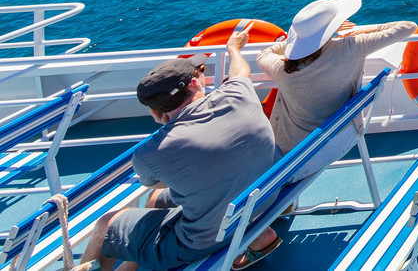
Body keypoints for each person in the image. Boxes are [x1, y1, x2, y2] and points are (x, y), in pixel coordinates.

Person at [81, 29, 281, 271]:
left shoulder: (150, 152)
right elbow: (240, 71)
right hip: (264, 203)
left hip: (206, 239)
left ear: (154, 111)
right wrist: (233, 50)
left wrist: (167, 127)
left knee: (105, 226)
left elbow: (156, 182)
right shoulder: (238, 95)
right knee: (155, 201)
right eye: (200, 71)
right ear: (196, 83)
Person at [256, 0, 417, 152]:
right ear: (330, 29)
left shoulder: (282, 69)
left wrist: (299, 41)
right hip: (340, 140)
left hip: (294, 151)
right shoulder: (351, 47)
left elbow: (263, 55)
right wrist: (364, 30)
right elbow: (408, 26)